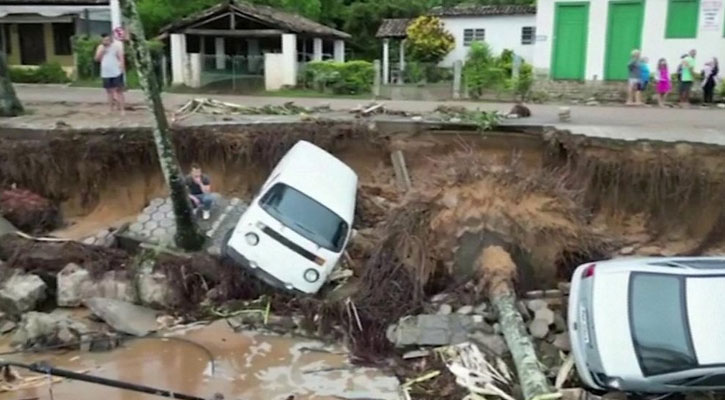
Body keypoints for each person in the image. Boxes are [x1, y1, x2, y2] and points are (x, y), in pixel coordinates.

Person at [95, 33, 125, 115]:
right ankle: (110, 109)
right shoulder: (100, 47)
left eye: (108, 40)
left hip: (116, 71)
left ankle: (122, 109)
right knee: (109, 91)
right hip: (106, 72)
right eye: (104, 40)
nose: (106, 41)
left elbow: (121, 58)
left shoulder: (116, 47)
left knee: (119, 90)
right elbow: (97, 58)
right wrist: (102, 51)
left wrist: (122, 68)